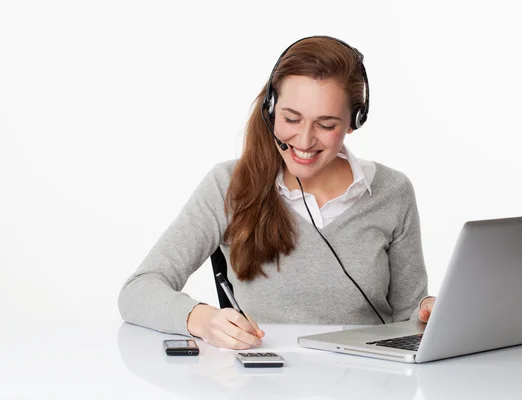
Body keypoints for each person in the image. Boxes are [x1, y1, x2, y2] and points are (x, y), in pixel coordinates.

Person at [118, 35, 436, 350]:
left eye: (326, 125)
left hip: (368, 381)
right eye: (291, 118)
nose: (305, 140)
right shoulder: (228, 184)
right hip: (263, 382)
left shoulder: (393, 192)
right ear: (271, 109)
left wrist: (430, 312)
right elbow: (138, 290)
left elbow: (410, 317)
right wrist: (202, 319)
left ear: (355, 121)